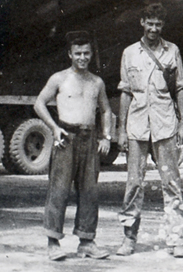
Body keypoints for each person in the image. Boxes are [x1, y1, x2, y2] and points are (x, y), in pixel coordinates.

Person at [116, 3, 183, 258]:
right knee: (134, 183)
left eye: (158, 24)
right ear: (142, 23)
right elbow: (125, 92)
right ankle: (129, 237)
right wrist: (122, 130)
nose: (154, 28)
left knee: (171, 183)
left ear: (163, 26)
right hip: (137, 127)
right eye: (150, 23)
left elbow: (180, 87)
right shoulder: (130, 53)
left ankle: (177, 238)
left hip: (165, 124)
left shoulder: (172, 51)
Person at [34, 31, 113, 261]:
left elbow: (106, 110)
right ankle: (53, 242)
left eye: (86, 53)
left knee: (89, 192)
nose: (82, 57)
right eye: (77, 53)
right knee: (59, 190)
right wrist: (54, 128)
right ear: (70, 54)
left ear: (91, 54)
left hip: (89, 140)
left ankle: (86, 241)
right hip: (66, 137)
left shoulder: (97, 82)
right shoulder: (59, 78)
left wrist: (106, 136)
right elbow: (39, 103)